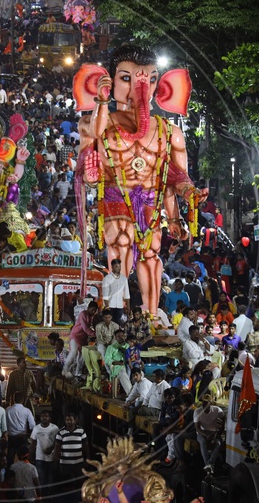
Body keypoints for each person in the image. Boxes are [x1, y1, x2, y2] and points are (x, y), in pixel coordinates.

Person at [78, 44, 204, 320]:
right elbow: (90, 165)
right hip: (116, 199)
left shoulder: (169, 133)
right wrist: (101, 103)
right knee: (121, 244)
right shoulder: (96, 124)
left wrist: (183, 203)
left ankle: (150, 313)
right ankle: (117, 313)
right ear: (108, 83)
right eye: (127, 79)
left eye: (149, 79)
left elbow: (175, 177)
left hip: (150, 202)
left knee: (151, 256)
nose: (139, 88)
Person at [52, 412, 89, 502]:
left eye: (71, 420)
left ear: (75, 421)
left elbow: (85, 446)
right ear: (65, 421)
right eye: (67, 420)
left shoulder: (81, 431)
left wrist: (87, 459)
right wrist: (56, 461)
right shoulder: (61, 432)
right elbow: (57, 448)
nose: (69, 422)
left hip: (78, 463)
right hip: (65, 464)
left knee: (80, 483)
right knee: (66, 485)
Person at [62, 300, 99, 379]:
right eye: (92, 310)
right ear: (88, 308)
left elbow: (95, 327)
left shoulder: (94, 317)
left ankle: (78, 373)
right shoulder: (83, 314)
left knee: (82, 356)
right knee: (74, 352)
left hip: (83, 338)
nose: (93, 312)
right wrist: (96, 334)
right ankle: (65, 369)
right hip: (75, 336)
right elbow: (85, 328)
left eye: (94, 310)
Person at [194, 391, 225, 475]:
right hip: (202, 432)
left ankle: (209, 464)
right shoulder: (197, 411)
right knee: (203, 442)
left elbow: (223, 419)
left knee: (218, 443)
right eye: (203, 402)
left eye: (206, 402)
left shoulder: (216, 410)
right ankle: (208, 464)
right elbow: (197, 428)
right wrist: (206, 434)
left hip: (213, 432)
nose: (204, 404)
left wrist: (218, 433)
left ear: (210, 403)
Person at [30, 410, 58, 497]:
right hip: (39, 458)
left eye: (46, 416)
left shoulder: (55, 428)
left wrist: (51, 449)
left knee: (50, 478)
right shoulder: (36, 428)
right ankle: (42, 496)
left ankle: (50, 496)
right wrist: (31, 456)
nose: (44, 418)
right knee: (41, 479)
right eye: (42, 416)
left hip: (51, 458)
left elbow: (58, 442)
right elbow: (33, 443)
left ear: (49, 418)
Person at [104, 328, 132, 397]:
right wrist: (116, 362)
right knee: (123, 374)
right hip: (118, 368)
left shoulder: (128, 346)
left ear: (125, 337)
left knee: (141, 373)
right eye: (118, 336)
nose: (121, 337)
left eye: (122, 336)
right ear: (115, 338)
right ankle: (131, 395)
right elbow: (107, 359)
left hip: (130, 366)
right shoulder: (111, 347)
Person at [102, 259, 130, 324]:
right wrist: (107, 307)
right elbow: (105, 295)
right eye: (116, 267)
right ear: (112, 267)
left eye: (119, 266)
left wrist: (128, 307)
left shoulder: (123, 278)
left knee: (118, 325)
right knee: (110, 324)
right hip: (110, 306)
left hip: (120, 306)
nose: (118, 268)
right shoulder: (107, 278)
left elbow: (127, 294)